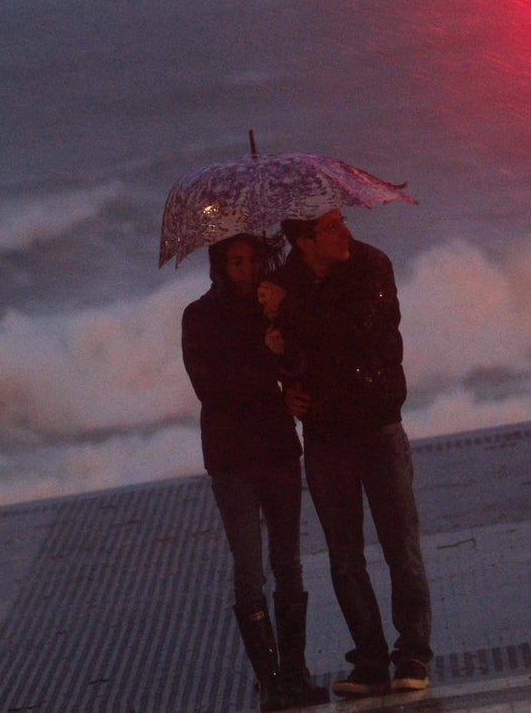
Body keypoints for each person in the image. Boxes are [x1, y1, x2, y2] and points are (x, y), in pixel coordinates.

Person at [258, 209, 433, 697]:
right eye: (332, 228)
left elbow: (354, 331)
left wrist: (288, 312)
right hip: (325, 432)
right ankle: (371, 658)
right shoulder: (284, 283)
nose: (345, 234)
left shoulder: (371, 266)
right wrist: (282, 367)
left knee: (400, 545)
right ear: (305, 243)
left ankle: (413, 653)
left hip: (377, 423)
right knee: (344, 555)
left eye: (342, 222)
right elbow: (299, 357)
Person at [181, 233, 329, 712]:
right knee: (249, 567)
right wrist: (265, 357)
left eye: (250, 261)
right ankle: (269, 682)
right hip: (231, 455)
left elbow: (298, 365)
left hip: (277, 446)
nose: (243, 270)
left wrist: (282, 341)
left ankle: (296, 671)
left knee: (288, 562)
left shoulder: (271, 304)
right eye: (234, 262)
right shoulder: (199, 316)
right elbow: (211, 386)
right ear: (220, 266)